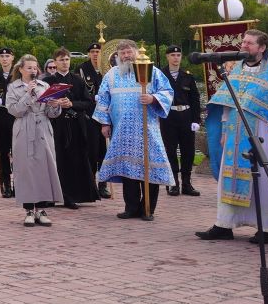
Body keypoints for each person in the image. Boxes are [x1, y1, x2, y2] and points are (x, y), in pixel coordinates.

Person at [198, 28, 268, 244]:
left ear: (262, 47)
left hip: (261, 133)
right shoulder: (236, 70)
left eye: (250, 43)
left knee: (263, 181)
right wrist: (223, 130)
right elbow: (227, 103)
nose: (244, 46)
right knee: (228, 178)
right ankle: (224, 225)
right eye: (243, 42)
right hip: (234, 132)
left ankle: (267, 228)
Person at [94, 40, 174, 220]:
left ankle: (148, 209)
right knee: (127, 169)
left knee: (149, 169)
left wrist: (153, 98)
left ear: (136, 53)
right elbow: (103, 100)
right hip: (122, 131)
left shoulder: (151, 72)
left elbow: (168, 91)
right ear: (117, 56)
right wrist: (105, 123)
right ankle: (131, 208)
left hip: (147, 129)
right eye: (122, 53)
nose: (126, 56)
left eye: (129, 52)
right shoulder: (111, 75)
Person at [7, 54, 64, 226]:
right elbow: (14, 110)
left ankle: (42, 209)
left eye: (35, 67)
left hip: (42, 128)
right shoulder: (13, 87)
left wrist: (56, 105)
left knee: (44, 168)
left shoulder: (44, 85)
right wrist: (27, 94)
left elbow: (51, 113)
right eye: (29, 67)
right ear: (21, 69)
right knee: (26, 169)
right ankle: (28, 210)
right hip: (24, 129)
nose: (33, 70)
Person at [44, 47, 98, 208]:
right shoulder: (48, 82)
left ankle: (72, 195)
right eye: (61, 60)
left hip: (75, 125)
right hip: (55, 126)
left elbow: (88, 102)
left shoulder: (78, 80)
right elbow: (42, 103)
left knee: (74, 159)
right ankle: (52, 195)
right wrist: (54, 103)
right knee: (57, 160)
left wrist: (72, 103)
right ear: (55, 62)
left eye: (67, 59)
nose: (65, 62)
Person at [158, 45, 203, 197]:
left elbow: (195, 99)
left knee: (188, 151)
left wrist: (197, 120)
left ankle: (186, 183)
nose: (176, 58)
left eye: (178, 55)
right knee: (170, 151)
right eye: (173, 55)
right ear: (167, 57)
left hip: (186, 116)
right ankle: (173, 183)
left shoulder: (187, 76)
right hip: (168, 117)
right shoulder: (160, 75)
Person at [78, 42, 110, 198]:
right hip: (90, 116)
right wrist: (92, 98)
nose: (96, 54)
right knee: (91, 151)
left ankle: (102, 184)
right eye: (93, 51)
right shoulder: (82, 69)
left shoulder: (108, 68)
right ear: (89, 54)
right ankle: (90, 183)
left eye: (98, 51)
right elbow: (78, 90)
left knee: (104, 152)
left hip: (106, 116)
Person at [0, 48, 18, 198]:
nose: (5, 59)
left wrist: (3, 101)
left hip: (17, 120)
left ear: (13, 58)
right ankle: (6, 184)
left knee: (18, 154)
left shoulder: (18, 76)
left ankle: (18, 185)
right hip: (1, 122)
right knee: (3, 154)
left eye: (7, 56)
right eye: (2, 56)